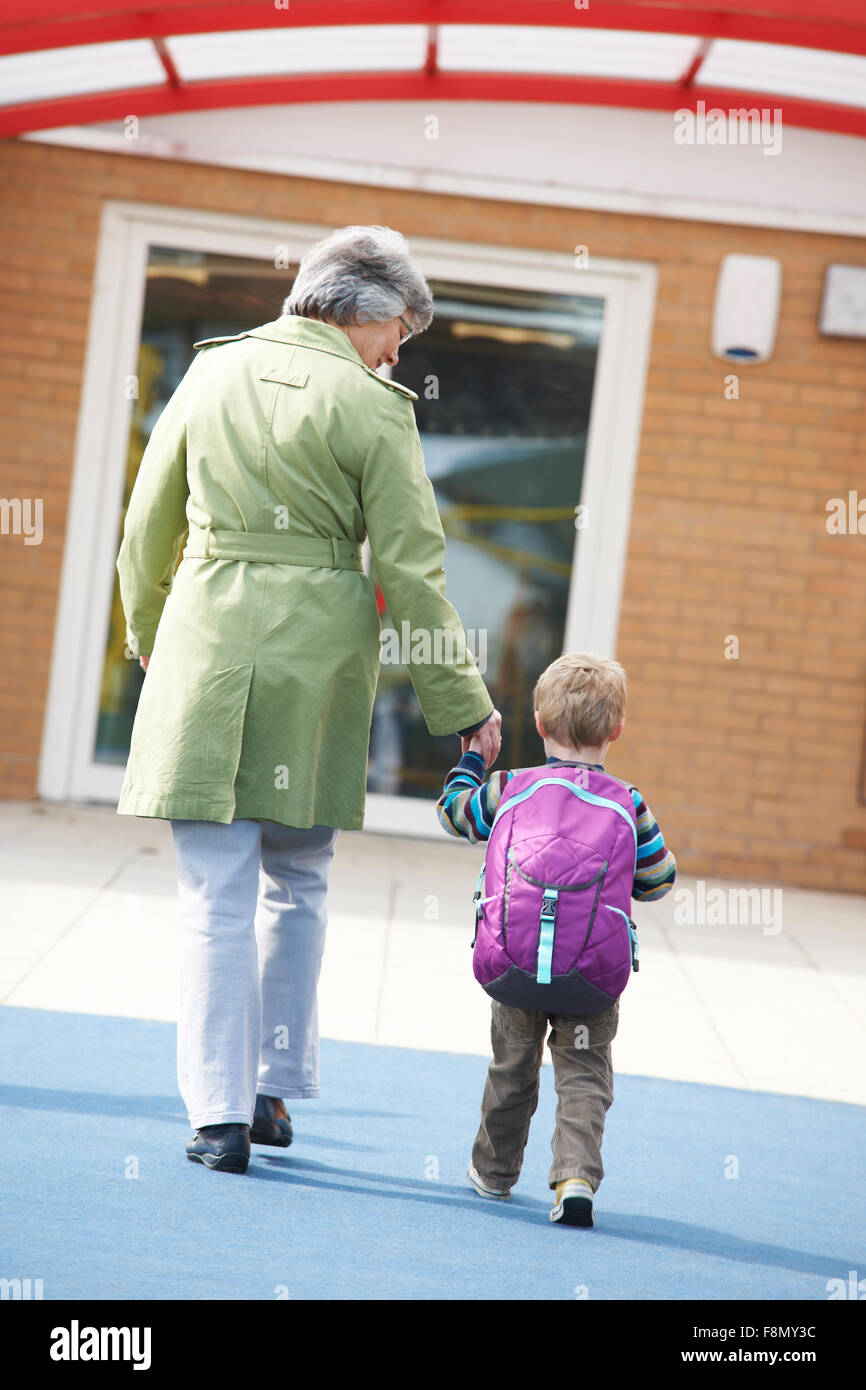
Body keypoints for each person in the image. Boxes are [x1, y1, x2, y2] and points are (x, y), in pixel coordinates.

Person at [116, 224, 502, 1173]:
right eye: (399, 333)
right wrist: (465, 708)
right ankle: (270, 1087)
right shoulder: (377, 409)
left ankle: (218, 1119)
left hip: (206, 644)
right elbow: (412, 573)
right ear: (360, 308)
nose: (397, 353)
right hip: (317, 663)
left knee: (214, 895)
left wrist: (151, 642)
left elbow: (143, 530)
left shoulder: (209, 375)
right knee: (299, 882)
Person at [436, 652, 676, 1225]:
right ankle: (575, 1179)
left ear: (540, 724)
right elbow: (659, 879)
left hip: (513, 963)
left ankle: (493, 1174)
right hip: (591, 977)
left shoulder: (511, 788)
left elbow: (452, 814)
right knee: (584, 1075)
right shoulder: (628, 802)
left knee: (512, 1067)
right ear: (615, 730)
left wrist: (472, 762)